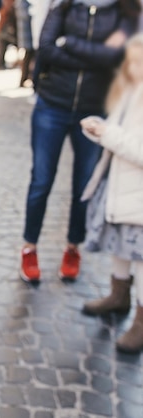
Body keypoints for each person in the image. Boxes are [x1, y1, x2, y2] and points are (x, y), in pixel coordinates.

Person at [20, 0, 140, 284]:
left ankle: (73, 247)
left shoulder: (125, 11)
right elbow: (46, 49)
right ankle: (29, 246)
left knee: (83, 184)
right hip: (51, 105)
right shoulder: (62, 6)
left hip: (95, 110)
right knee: (41, 181)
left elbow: (114, 57)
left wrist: (69, 43)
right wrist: (93, 56)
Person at [80, 33, 143, 353]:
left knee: (141, 260)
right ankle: (119, 297)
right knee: (121, 248)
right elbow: (120, 135)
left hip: (139, 196)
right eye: (129, 62)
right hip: (123, 188)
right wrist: (99, 130)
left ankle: (141, 322)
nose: (132, 68)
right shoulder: (130, 92)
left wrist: (109, 133)